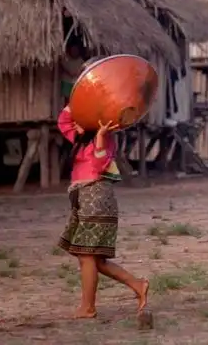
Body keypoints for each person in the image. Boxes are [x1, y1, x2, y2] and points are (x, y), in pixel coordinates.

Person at [57, 106, 149, 318]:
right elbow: (63, 121)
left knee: (87, 255)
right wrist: (79, 102)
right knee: (94, 259)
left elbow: (99, 166)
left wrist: (99, 136)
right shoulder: (80, 139)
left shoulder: (106, 138)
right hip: (84, 198)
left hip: (96, 198)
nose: (75, 124)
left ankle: (88, 307)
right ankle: (138, 285)